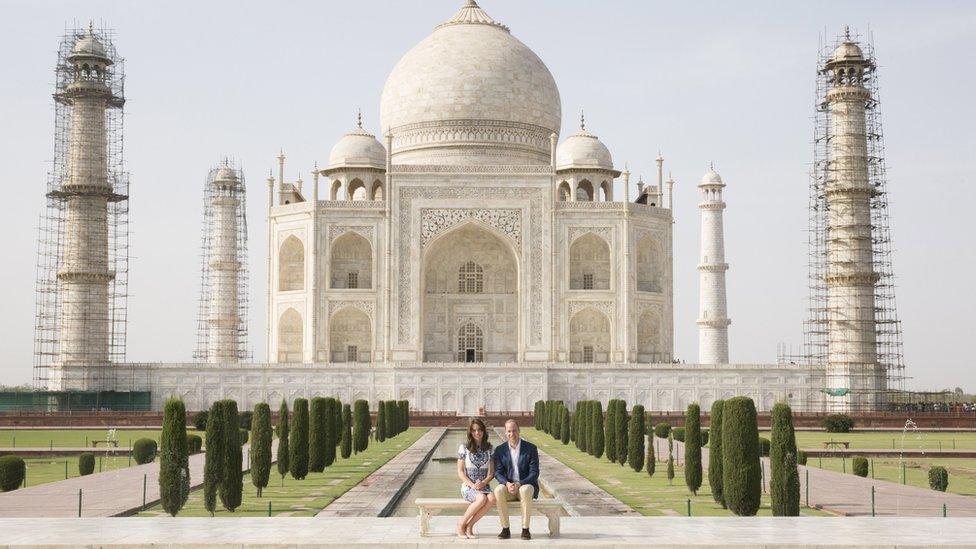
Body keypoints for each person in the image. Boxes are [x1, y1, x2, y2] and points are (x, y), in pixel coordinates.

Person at [492, 419, 540, 540]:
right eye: (509, 431)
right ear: (505, 432)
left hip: (525, 485)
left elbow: (534, 473)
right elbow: (498, 472)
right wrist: (507, 483)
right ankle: (505, 529)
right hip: (509, 487)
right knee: (498, 490)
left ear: (519, 431)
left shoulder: (531, 448)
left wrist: (520, 484)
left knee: (525, 490)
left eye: (514, 430)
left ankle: (525, 529)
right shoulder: (500, 450)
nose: (511, 434)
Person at [456, 418, 495, 539]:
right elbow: (460, 471)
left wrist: (483, 483)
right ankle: (461, 524)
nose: (477, 433)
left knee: (492, 499)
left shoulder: (490, 449)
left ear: (484, 431)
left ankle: (469, 526)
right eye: (474, 430)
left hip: (483, 486)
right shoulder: (464, 448)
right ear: (470, 432)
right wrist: (472, 485)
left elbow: (492, 473)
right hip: (468, 486)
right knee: (481, 498)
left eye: (479, 430)